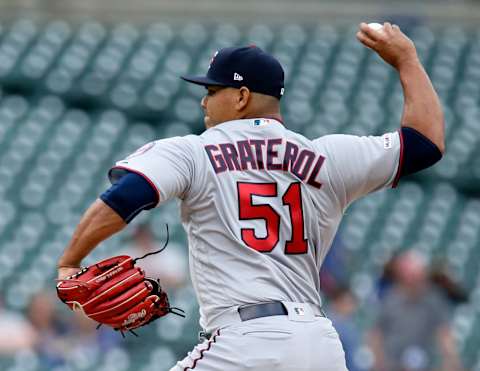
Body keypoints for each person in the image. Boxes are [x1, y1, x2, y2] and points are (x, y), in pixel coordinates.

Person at [57, 22, 445, 370]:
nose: (203, 101)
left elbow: (129, 194)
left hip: (244, 345)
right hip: (318, 345)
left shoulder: (195, 151)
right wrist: (407, 59)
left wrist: (70, 260)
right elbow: (426, 143)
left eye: (212, 90)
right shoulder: (329, 157)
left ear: (241, 97)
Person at [369, 251, 463, 371]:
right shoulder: (390, 298)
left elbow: (444, 334)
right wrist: (378, 362)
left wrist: (452, 361)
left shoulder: (434, 300)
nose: (412, 281)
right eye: (409, 276)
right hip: (392, 365)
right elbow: (376, 333)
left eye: (416, 276)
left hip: (425, 364)